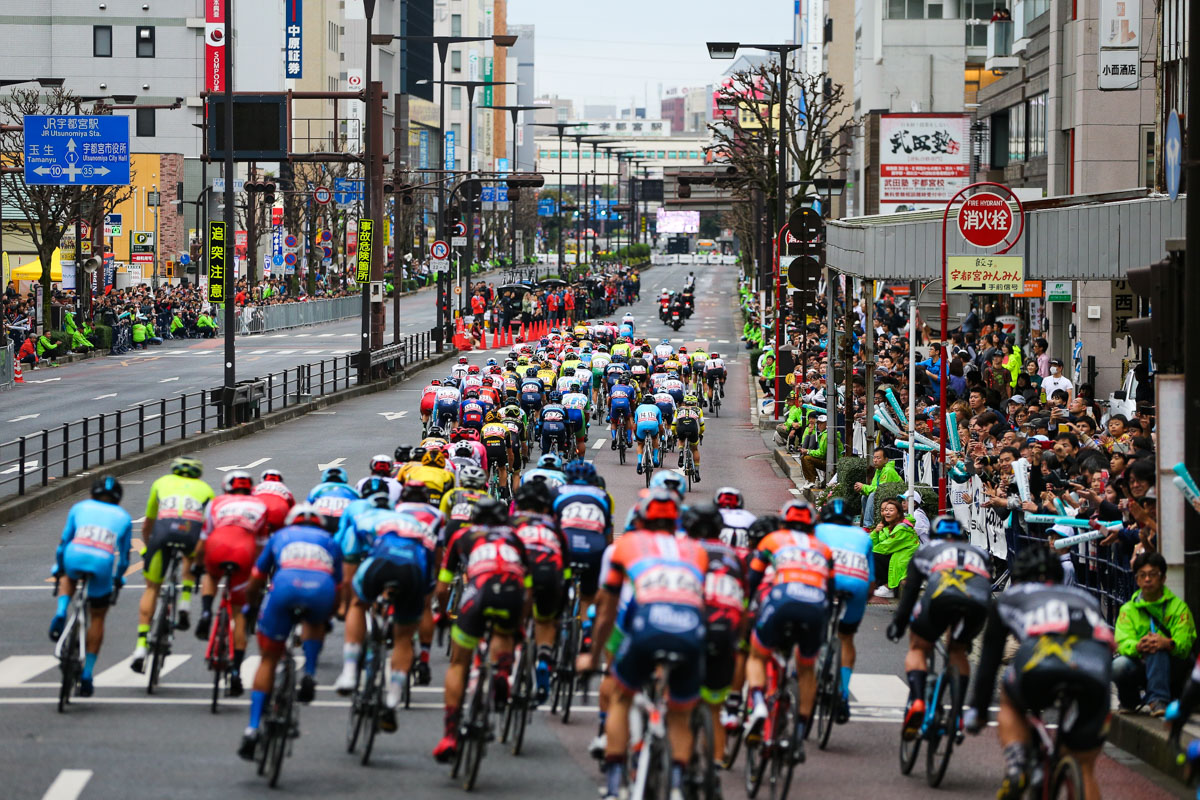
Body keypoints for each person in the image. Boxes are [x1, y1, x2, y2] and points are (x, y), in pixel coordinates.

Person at [580, 491, 707, 800]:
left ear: (640, 520)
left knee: (621, 697)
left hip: (646, 628)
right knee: (679, 713)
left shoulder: (627, 545)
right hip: (690, 632)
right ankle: (676, 784)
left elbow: (607, 610)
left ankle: (613, 786)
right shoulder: (695, 550)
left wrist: (593, 657)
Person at [966, 546, 1113, 800]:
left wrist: (978, 711)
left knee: (1010, 702)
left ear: (1019, 578)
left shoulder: (1011, 598)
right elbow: (1107, 646)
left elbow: (989, 662)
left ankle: (1017, 764)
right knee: (1085, 767)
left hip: (1040, 667)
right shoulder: (1085, 599)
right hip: (1093, 673)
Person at [237, 505, 342, 760]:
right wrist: (328, 615)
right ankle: (310, 673)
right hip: (320, 589)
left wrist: (250, 607)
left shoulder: (280, 537)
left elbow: (257, 578)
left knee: (268, 660)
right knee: (315, 624)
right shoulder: (330, 541)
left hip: (284, 587)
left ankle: (252, 728)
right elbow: (339, 586)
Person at [433, 498, 532, 762]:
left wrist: (442, 614)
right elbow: (529, 589)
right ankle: (500, 672)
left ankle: (450, 735)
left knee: (458, 664)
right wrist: (518, 626)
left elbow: (443, 587)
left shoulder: (463, 535)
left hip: (479, 593)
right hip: (511, 593)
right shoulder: (515, 538)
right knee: (502, 633)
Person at [744, 498, 833, 765]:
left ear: (783, 521)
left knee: (757, 654)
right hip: (815, 607)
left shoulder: (773, 540)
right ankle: (800, 730)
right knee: (806, 667)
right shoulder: (823, 549)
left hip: (782, 599)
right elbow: (829, 591)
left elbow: (753, 580)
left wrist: (748, 610)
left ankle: (759, 702)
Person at [886, 515, 991, 741]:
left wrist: (899, 624)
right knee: (958, 650)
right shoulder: (980, 553)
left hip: (939, 599)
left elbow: (911, 592)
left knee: (918, 646)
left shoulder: (927, 550)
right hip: (976, 605)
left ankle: (918, 701)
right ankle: (956, 716)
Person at [49, 476, 132, 697]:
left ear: (92, 493)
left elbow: (64, 541)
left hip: (75, 554)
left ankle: (60, 612)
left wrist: (58, 566)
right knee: (97, 616)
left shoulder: (79, 507)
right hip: (102, 562)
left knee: (68, 575)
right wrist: (119, 577)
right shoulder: (123, 517)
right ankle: (87, 674)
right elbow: (124, 559)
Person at [131, 456, 215, 672]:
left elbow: (147, 524)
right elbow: (207, 531)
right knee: (191, 555)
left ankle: (141, 646)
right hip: (190, 533)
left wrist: (148, 549)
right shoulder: (206, 489)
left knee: (151, 588)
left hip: (162, 534)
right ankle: (185, 603)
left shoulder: (160, 483)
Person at [192, 471, 270, 696]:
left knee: (211, 575)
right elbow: (260, 547)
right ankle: (236, 672)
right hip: (244, 551)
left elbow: (204, 538)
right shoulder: (259, 506)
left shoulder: (217, 503)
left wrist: (198, 564)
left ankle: (206, 612)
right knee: (239, 616)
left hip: (218, 545)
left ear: (227, 488)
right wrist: (255, 574)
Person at [1111, 550, 1197, 715]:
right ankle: (1130, 700)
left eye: (1153, 574)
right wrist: (1138, 646)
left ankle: (1159, 700)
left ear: (1163, 578)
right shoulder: (1127, 610)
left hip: (1172, 665)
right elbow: (1122, 641)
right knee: (1118, 665)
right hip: (1140, 663)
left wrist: (1168, 643)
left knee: (1158, 647)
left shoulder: (1178, 608)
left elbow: (1185, 641)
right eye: (1142, 575)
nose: (1147, 579)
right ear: (1136, 579)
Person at [814, 498, 874, 723]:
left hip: (826, 581)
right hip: (857, 585)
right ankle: (843, 693)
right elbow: (871, 582)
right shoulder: (863, 536)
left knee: (815, 627)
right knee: (846, 637)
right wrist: (860, 606)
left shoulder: (818, 530)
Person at [511, 480, 569, 704]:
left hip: (519, 574)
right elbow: (565, 569)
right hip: (548, 573)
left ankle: (506, 667)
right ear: (547, 506)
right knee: (545, 621)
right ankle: (544, 659)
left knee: (511, 622)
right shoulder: (554, 527)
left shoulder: (512, 522)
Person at [869, 497, 919, 599]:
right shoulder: (887, 528)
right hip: (894, 557)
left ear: (899, 514)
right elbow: (874, 544)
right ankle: (882, 586)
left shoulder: (902, 528)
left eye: (891, 510)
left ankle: (888, 587)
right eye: (884, 510)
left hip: (905, 560)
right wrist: (875, 532)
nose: (886, 513)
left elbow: (884, 548)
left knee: (873, 556)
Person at [856, 448, 902, 528]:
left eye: (878, 458)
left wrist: (863, 487)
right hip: (884, 495)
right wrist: (862, 489)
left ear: (886, 460)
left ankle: (868, 525)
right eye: (874, 458)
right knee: (864, 497)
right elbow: (873, 487)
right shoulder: (878, 470)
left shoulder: (888, 470)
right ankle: (867, 523)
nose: (875, 460)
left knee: (873, 495)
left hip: (895, 497)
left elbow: (880, 489)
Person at [672, 394, 705, 483]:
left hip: (681, 429)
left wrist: (675, 434)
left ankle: (681, 452)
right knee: (694, 449)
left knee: (681, 439)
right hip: (693, 429)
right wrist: (700, 434)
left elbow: (673, 425)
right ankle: (697, 471)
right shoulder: (698, 410)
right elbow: (702, 427)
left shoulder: (678, 410)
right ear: (695, 403)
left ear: (684, 403)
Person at [633, 394, 663, 475]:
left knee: (640, 444)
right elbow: (661, 427)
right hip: (653, 425)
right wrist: (661, 436)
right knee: (654, 439)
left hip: (641, 426)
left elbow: (635, 427)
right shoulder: (657, 408)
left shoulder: (638, 408)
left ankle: (639, 463)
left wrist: (636, 436)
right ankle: (655, 459)